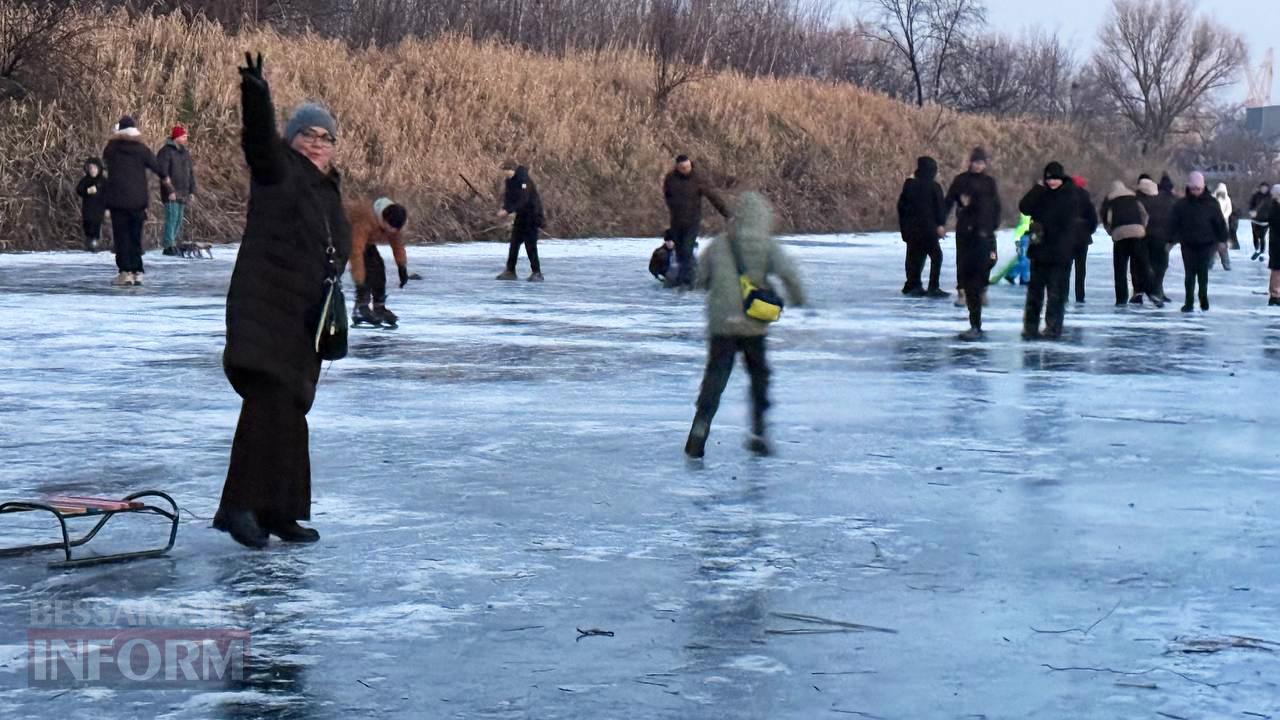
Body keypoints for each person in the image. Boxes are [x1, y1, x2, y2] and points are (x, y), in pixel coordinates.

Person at [216, 53, 351, 549]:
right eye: (307, 135)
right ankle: (238, 507)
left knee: (292, 413)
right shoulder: (280, 172)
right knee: (265, 406)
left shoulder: (325, 191)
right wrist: (257, 96)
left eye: (325, 138)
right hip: (265, 311)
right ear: (292, 140)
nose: (316, 144)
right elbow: (258, 143)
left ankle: (281, 510)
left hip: (301, 321)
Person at [684, 192, 804, 460]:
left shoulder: (717, 246)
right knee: (759, 376)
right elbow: (789, 274)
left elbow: (701, 279)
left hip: (721, 324)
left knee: (715, 378)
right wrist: (798, 299)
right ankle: (759, 432)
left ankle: (700, 429)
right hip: (754, 327)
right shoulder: (768, 245)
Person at [1019, 162, 1097, 340]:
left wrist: (1076, 236)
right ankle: (1030, 327)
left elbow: (1091, 219)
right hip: (1039, 250)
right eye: (1048, 179)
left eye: (1055, 179)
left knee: (1056, 294)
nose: (1052, 182)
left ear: (1062, 178)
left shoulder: (1075, 195)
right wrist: (1037, 188)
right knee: (1034, 293)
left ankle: (1053, 328)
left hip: (1061, 252)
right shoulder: (1041, 193)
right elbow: (1024, 207)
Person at [102, 115, 170, 286]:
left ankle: (125, 272)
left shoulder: (112, 148)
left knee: (121, 236)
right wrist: (165, 178)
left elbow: (105, 160)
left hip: (118, 200)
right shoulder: (142, 149)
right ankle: (137, 271)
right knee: (134, 236)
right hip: (138, 201)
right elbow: (157, 167)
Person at [944, 147, 1001, 339]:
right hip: (966, 232)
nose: (978, 166)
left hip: (985, 233)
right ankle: (968, 305)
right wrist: (941, 222)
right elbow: (949, 201)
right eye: (976, 162)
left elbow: (996, 205)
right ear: (970, 162)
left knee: (987, 264)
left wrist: (994, 224)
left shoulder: (989, 182)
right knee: (966, 269)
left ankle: (981, 290)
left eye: (981, 163)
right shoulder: (961, 180)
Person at [663, 155, 731, 289]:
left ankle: (688, 282)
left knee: (688, 250)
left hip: (692, 221)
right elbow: (667, 196)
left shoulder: (698, 179)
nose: (686, 169)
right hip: (676, 221)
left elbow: (713, 196)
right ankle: (683, 278)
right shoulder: (670, 179)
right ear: (677, 167)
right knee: (680, 253)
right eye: (683, 168)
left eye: (688, 167)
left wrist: (726, 213)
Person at [347, 197, 412, 327]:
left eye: (395, 230)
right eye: (389, 229)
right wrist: (360, 283)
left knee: (378, 267)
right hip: (345, 235)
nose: (392, 233)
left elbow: (397, 245)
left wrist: (402, 267)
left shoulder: (395, 220)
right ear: (382, 220)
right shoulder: (365, 220)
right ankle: (361, 307)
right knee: (365, 267)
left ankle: (379, 307)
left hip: (367, 242)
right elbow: (356, 254)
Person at [1171, 171, 1228, 313]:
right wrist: (1171, 239)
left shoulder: (1211, 203)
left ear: (1203, 187)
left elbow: (1220, 223)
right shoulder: (1181, 205)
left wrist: (1222, 240)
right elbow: (1174, 224)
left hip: (1206, 244)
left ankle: (1203, 299)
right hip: (1188, 243)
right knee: (1189, 275)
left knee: (1203, 274)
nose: (1196, 191)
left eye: (1199, 188)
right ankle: (1188, 302)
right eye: (1193, 188)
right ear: (1189, 187)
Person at [1099, 180, 1160, 307]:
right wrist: (1141, 227)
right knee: (1143, 266)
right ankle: (1153, 292)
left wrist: (1112, 232)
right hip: (1138, 233)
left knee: (1120, 269)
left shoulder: (1109, 200)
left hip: (1120, 235)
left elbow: (1107, 219)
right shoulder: (1134, 197)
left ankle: (1121, 299)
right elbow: (1144, 214)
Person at [896, 155, 949, 298]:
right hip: (928, 230)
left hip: (912, 230)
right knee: (936, 256)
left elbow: (901, 207)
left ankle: (912, 284)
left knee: (914, 257)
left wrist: (904, 228)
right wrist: (940, 225)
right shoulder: (934, 187)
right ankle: (933, 287)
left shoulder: (909, 185)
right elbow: (940, 208)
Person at [495, 162, 545, 281]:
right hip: (521, 216)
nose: (504, 174)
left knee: (530, 245)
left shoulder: (523, 180)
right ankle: (510, 271)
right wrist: (505, 207)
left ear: (511, 169)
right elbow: (509, 197)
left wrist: (508, 210)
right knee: (514, 243)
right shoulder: (509, 181)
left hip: (532, 215)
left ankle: (537, 272)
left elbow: (524, 199)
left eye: (505, 171)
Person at [157, 125, 197, 256]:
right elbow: (163, 172)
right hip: (171, 193)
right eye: (184, 136)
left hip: (183, 192)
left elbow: (190, 173)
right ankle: (169, 245)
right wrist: (170, 191)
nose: (186, 138)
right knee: (171, 218)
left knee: (179, 219)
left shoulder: (185, 153)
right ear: (177, 137)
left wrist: (192, 191)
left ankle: (172, 242)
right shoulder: (165, 152)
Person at [1136, 176, 1175, 303]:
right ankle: (1155, 291)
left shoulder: (1137, 200)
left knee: (1145, 266)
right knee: (1160, 266)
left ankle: (1144, 292)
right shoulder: (1166, 200)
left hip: (1144, 236)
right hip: (1161, 237)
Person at [1068, 175, 1093, 302]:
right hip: (1083, 236)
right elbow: (1093, 218)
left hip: (1066, 236)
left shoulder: (1063, 196)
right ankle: (1080, 296)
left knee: (1065, 268)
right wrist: (1089, 230)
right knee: (1080, 269)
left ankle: (1062, 294)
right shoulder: (1086, 197)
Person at [75, 158, 107, 252]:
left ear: (99, 169)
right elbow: (79, 190)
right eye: (90, 168)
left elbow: (109, 194)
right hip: (88, 208)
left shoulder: (103, 180)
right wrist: (87, 191)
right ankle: (89, 242)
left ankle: (95, 242)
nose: (92, 170)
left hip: (99, 208)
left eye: (94, 168)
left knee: (96, 224)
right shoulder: (85, 180)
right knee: (87, 224)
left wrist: (108, 208)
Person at [1212, 183, 1233, 270]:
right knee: (1212, 244)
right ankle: (1210, 262)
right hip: (1213, 223)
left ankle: (1226, 263)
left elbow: (1229, 210)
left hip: (1223, 223)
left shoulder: (1227, 199)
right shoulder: (1213, 198)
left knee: (1223, 244)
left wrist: (1224, 216)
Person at [1248, 181, 1271, 261]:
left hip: (1265, 221)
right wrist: (1251, 211)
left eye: (1265, 188)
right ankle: (1257, 249)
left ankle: (1262, 253)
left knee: (1262, 237)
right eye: (1262, 187)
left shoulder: (1270, 197)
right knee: (1255, 236)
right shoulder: (1255, 196)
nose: (1264, 189)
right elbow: (1251, 205)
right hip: (1255, 220)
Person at [1267, 185, 1280, 305]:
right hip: (1276, 243)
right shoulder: (1274, 207)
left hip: (1276, 242)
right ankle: (1275, 295)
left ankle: (1276, 293)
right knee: (1276, 269)